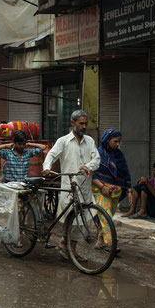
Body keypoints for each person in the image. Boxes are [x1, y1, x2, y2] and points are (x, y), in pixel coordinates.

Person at [42, 110, 100, 259]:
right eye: (81, 123)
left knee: (81, 221)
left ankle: (70, 248)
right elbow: (51, 154)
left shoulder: (90, 141)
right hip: (69, 186)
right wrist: (47, 167)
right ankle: (65, 246)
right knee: (70, 218)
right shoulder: (63, 141)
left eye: (86, 123)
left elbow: (97, 159)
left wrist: (89, 166)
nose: (84, 126)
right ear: (72, 123)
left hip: (84, 187)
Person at [91, 128, 132, 249]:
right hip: (100, 189)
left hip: (116, 191)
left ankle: (100, 239)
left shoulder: (119, 155)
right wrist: (102, 187)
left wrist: (129, 190)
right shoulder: (97, 153)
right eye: (115, 141)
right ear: (107, 140)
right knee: (106, 216)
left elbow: (125, 172)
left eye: (119, 141)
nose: (117, 144)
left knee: (107, 216)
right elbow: (92, 173)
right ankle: (111, 242)